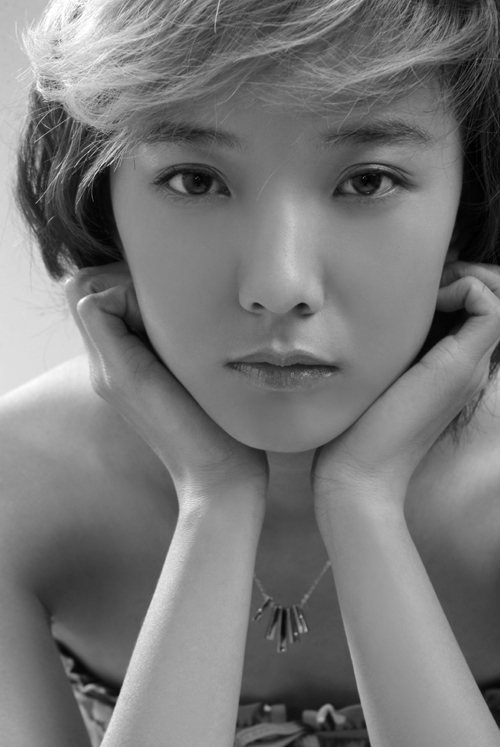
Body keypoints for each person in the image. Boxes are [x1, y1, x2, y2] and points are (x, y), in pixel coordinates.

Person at [2, 0, 500, 745]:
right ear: (99, 201)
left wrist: (361, 501)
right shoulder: (16, 487)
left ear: (471, 200)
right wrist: (215, 500)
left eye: (368, 181)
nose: (279, 284)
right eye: (196, 180)